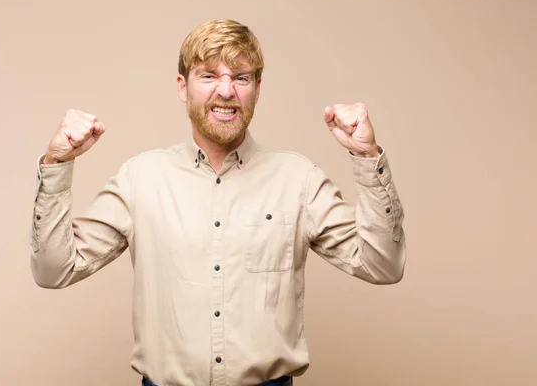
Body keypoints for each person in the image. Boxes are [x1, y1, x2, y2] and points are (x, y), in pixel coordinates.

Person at [30, 19, 407, 386]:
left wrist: (366, 156)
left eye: (241, 77)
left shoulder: (298, 179)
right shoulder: (139, 178)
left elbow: (383, 265)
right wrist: (58, 164)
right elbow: (54, 270)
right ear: (183, 86)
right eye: (208, 75)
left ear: (257, 89)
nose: (225, 91)